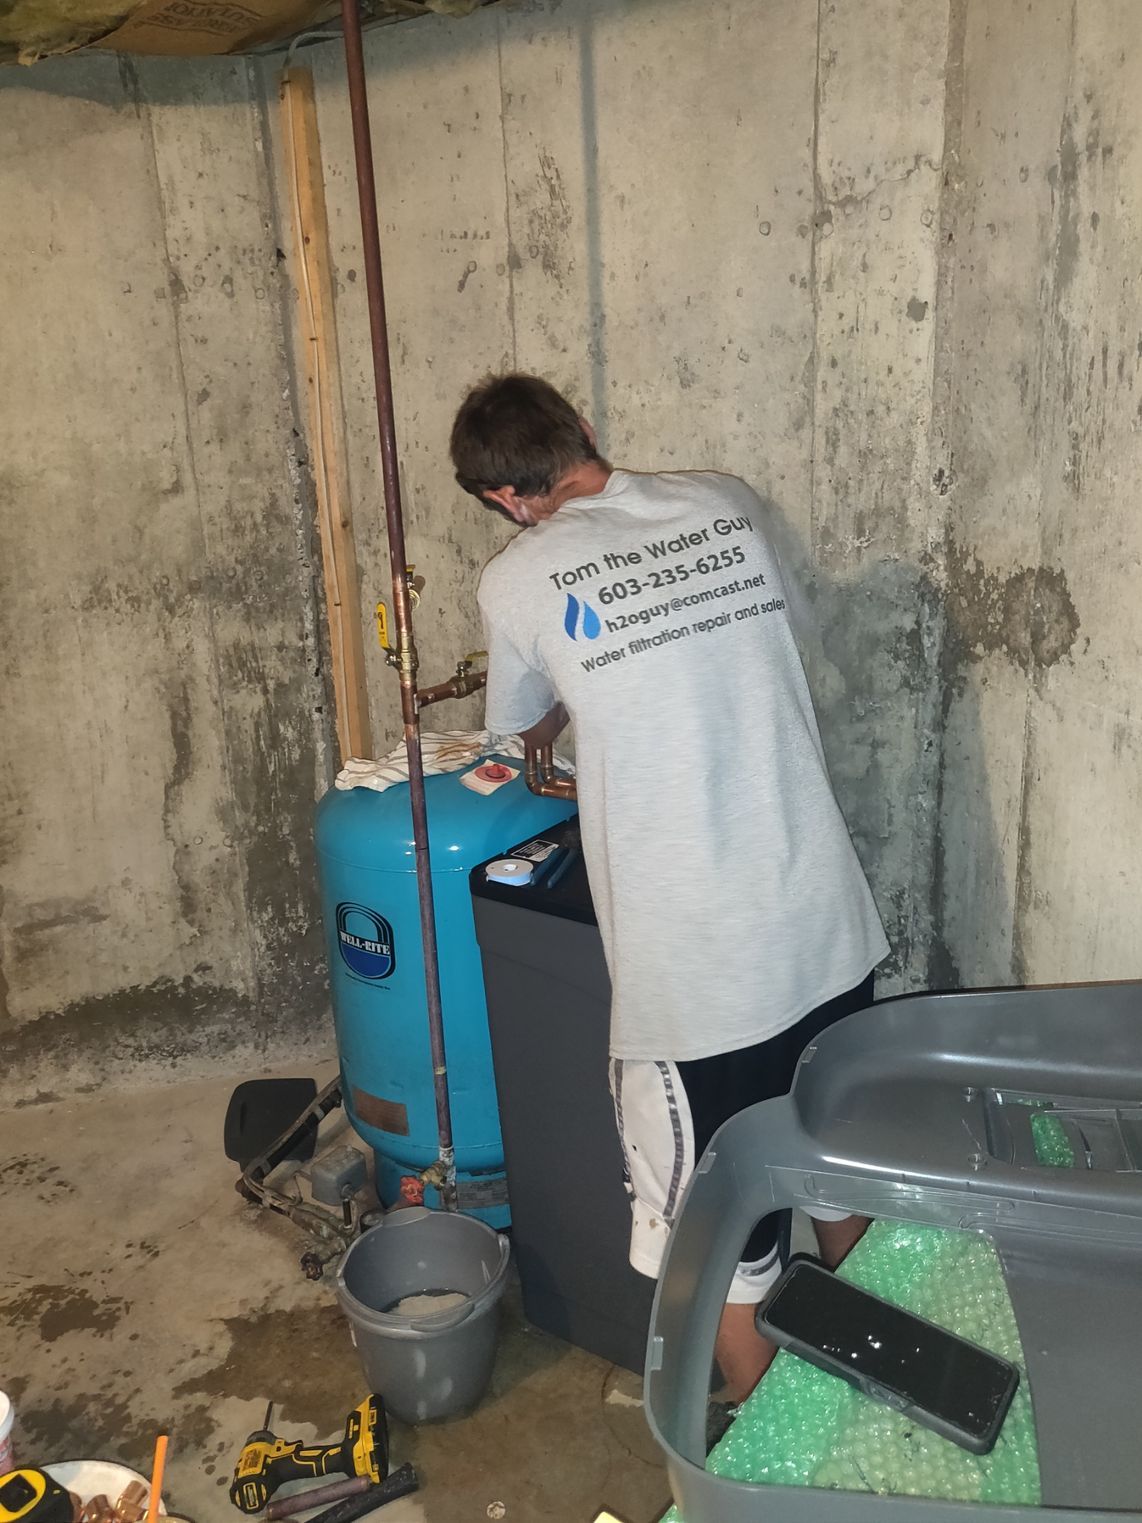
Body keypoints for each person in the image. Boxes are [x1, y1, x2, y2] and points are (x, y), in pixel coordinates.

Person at [450, 373, 889, 1401]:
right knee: (833, 1165)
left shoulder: (517, 576)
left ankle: (771, 1441)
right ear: (583, 429)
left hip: (697, 978)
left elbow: (515, 725)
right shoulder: (723, 500)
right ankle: (887, 1382)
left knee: (718, 1227)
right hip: (822, 922)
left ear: (504, 497)